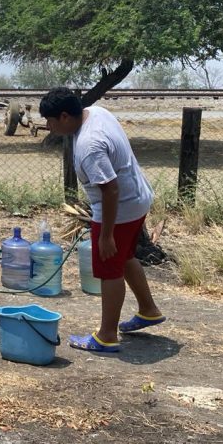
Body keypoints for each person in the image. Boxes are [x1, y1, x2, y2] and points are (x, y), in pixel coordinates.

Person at [39, 87, 166, 353]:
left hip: (119, 210)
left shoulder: (89, 145)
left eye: (50, 121)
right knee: (126, 257)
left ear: (64, 116)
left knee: (110, 269)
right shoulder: (96, 112)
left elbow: (110, 189)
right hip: (138, 198)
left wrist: (106, 235)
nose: (48, 127)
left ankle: (107, 335)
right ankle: (148, 309)